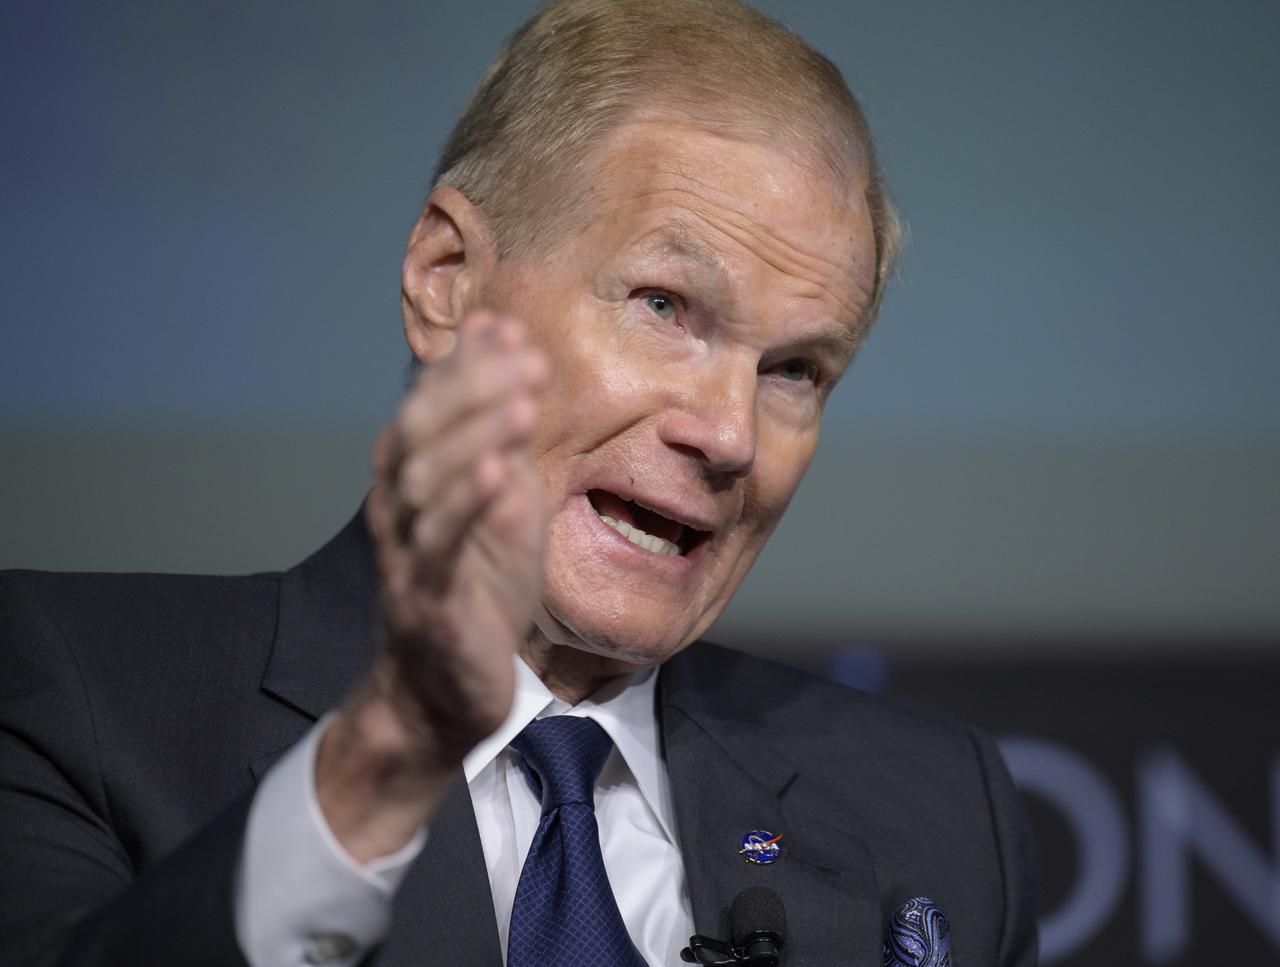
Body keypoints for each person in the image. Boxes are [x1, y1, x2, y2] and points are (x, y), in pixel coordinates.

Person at [0, 1, 1037, 965]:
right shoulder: (74, 695)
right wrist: (373, 770)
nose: (729, 435)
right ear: (447, 280)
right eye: (664, 305)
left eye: (795, 369)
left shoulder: (940, 817)